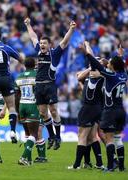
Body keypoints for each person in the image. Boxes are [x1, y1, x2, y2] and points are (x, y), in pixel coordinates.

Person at [24, 17, 76, 150]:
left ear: (49, 45)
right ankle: (52, 136)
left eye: (44, 43)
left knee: (53, 111)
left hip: (50, 85)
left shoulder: (55, 53)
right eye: (41, 43)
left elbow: (64, 42)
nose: (41, 45)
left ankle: (58, 137)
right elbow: (33, 36)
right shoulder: (38, 51)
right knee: (42, 113)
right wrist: (28, 25)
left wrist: (71, 29)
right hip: (39, 86)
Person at [84, 41, 127, 172]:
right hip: (121, 111)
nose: (107, 64)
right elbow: (120, 65)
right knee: (118, 139)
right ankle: (121, 166)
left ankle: (109, 167)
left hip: (110, 111)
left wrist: (88, 54)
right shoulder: (123, 75)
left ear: (113, 67)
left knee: (108, 140)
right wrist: (120, 56)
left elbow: (98, 66)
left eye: (109, 63)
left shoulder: (111, 76)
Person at [68, 61, 104, 170]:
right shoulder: (93, 77)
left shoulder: (98, 76)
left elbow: (79, 77)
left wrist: (91, 68)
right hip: (96, 109)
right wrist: (90, 69)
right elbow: (79, 77)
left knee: (82, 137)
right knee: (92, 137)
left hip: (88, 108)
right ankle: (98, 163)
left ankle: (76, 165)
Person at [15, 57, 47, 165]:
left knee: (28, 134)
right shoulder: (37, 76)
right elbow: (41, 92)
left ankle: (29, 159)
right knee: (34, 134)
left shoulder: (18, 77)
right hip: (33, 105)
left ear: (25, 65)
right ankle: (24, 157)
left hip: (21, 106)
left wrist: (17, 111)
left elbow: (16, 95)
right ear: (34, 64)